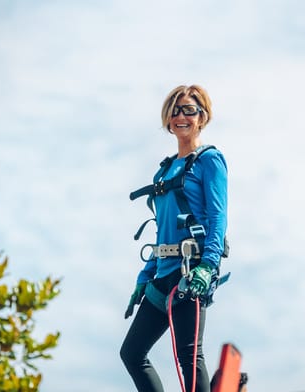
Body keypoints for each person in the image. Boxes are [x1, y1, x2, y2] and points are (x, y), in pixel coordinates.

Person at [120, 84, 228, 392]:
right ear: (168, 119)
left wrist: (207, 267)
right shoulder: (164, 171)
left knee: (189, 358)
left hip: (190, 272)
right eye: (175, 110)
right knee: (132, 353)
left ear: (202, 117)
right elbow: (162, 228)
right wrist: (144, 275)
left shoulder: (210, 161)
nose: (182, 116)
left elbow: (218, 218)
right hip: (162, 275)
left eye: (189, 110)